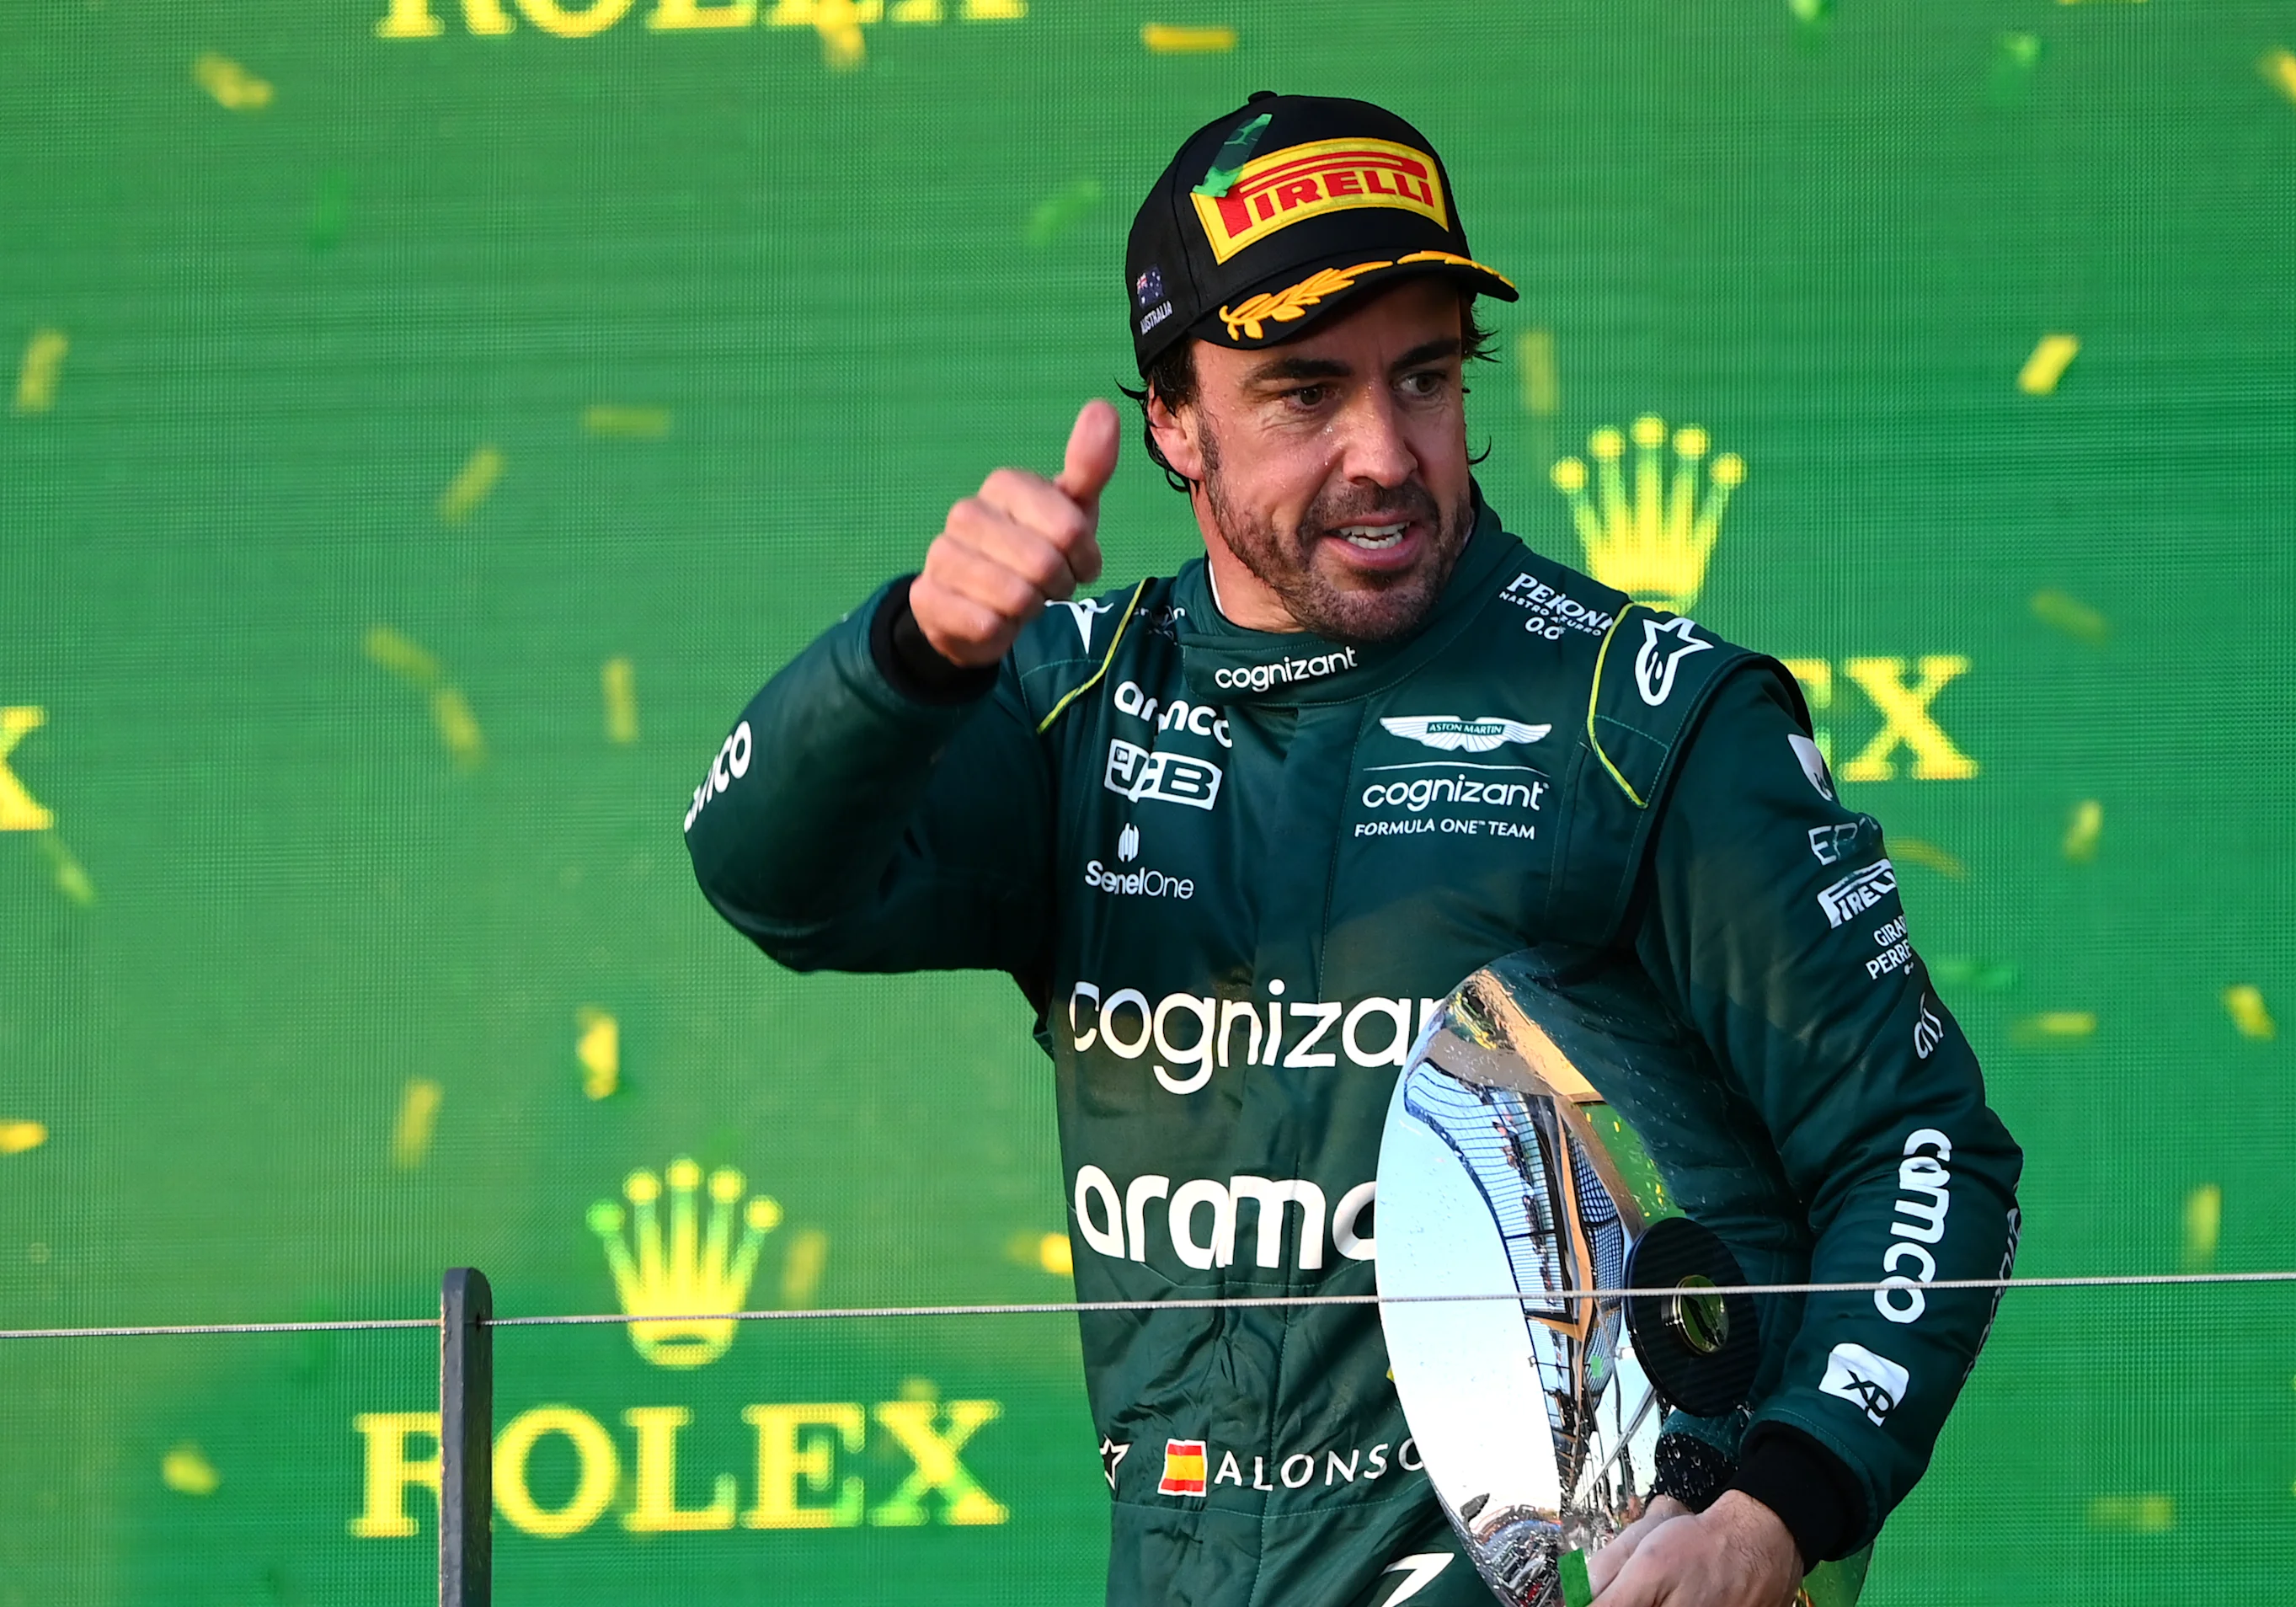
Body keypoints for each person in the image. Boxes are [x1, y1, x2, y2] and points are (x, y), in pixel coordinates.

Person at [686, 92, 2021, 1607]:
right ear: (1172, 424)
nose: (1385, 453)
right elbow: (763, 875)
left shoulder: (1643, 716)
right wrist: (912, 655)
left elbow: (1919, 1150)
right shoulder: (1073, 699)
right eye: (1305, 395)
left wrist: (1778, 1512)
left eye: (1428, 379)